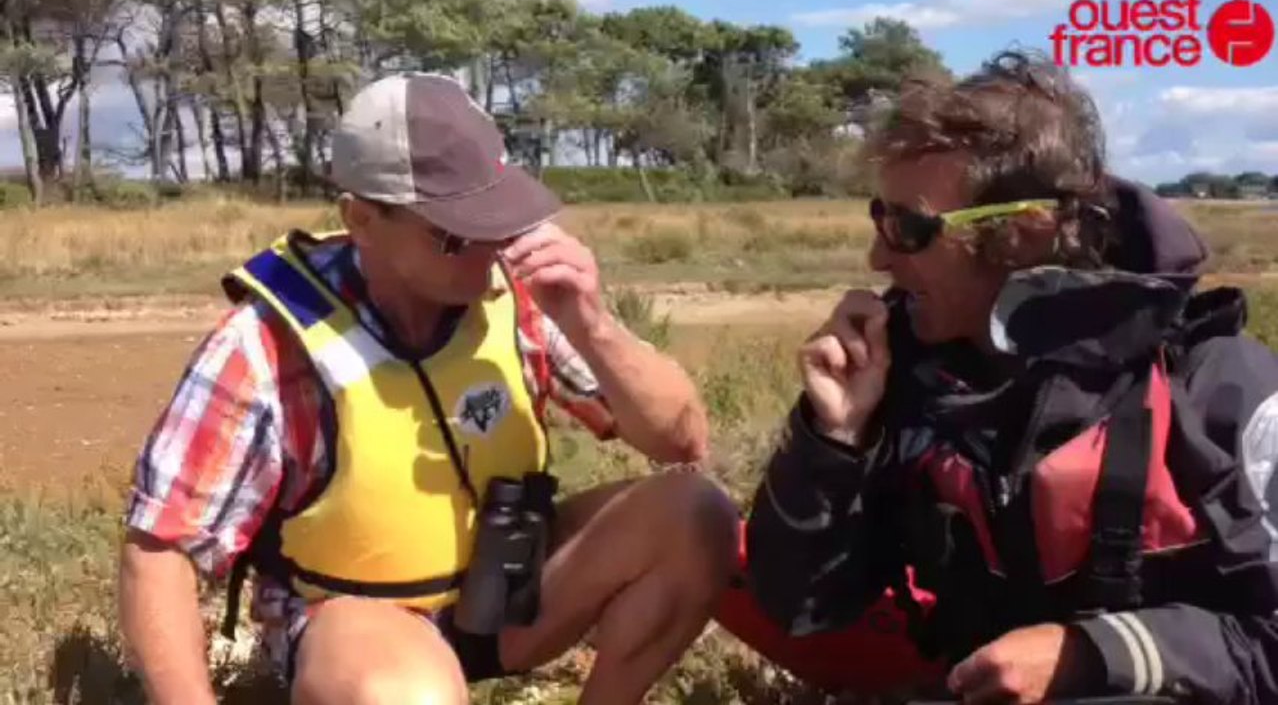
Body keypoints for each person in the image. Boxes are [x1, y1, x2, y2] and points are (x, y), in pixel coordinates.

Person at [117, 72, 739, 705]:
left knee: (696, 515)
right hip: (357, 620)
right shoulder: (270, 344)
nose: (488, 250)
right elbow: (158, 548)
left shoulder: (521, 298)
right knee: (407, 695)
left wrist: (592, 323)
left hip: (506, 589)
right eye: (454, 233)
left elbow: (679, 440)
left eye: (497, 218)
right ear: (361, 218)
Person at [716, 49, 1278, 704]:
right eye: (879, 217)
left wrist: (1096, 654)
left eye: (908, 228)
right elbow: (799, 606)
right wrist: (832, 439)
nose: (877, 257)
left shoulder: (1220, 389)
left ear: (1026, 234)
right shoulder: (907, 372)